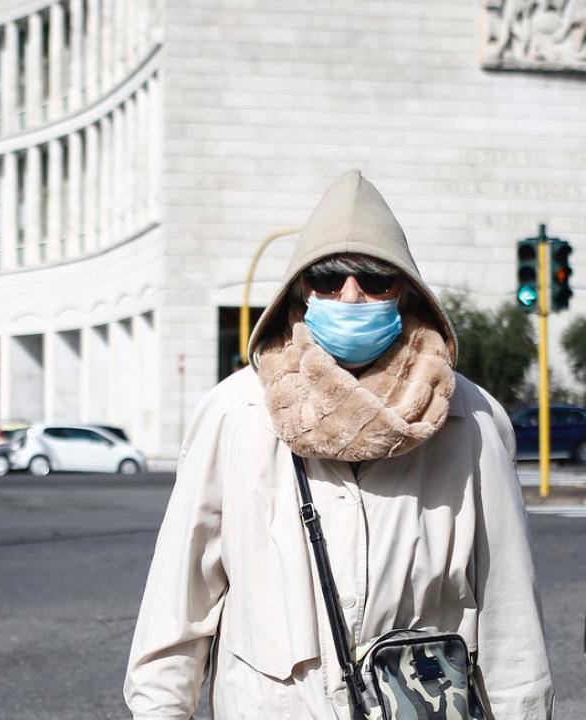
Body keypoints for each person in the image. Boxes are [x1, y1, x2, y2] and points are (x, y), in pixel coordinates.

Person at [124, 170, 554, 719]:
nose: (352, 296)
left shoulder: (470, 420)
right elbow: (179, 601)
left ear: (406, 290)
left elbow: (510, 618)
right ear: (300, 292)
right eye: (328, 280)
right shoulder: (236, 413)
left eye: (375, 281)